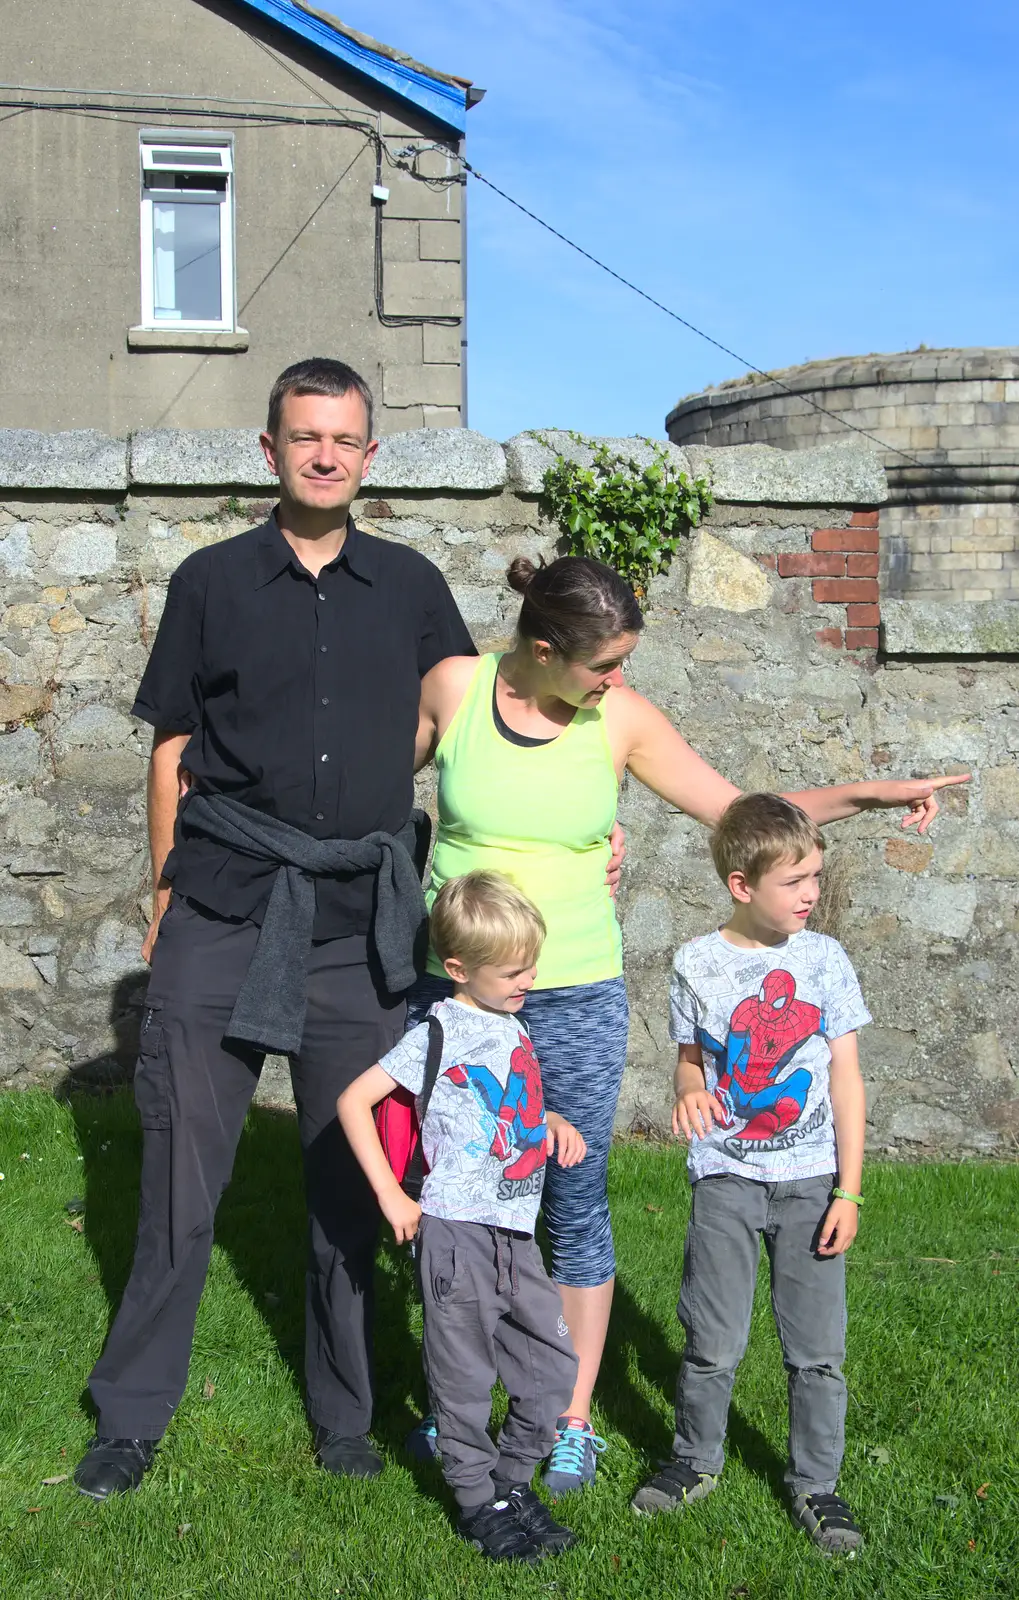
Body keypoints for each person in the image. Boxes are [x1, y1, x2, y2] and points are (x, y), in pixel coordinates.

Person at [411, 553, 967, 1495]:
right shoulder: (454, 688)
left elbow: (738, 814)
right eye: (602, 665)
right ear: (543, 650)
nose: (616, 680)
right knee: (460, 1195)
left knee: (570, 1200)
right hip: (460, 1000)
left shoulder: (617, 720)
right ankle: (458, 1399)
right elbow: (365, 805)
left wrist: (866, 797)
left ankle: (568, 1416)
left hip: (575, 987)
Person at [73, 358, 476, 1500]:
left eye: (342, 439)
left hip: (358, 921)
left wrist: (570, 818)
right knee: (177, 1177)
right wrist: (163, 893)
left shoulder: (409, 584)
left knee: (349, 1175)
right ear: (269, 449)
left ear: (368, 457)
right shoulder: (209, 580)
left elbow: (475, 724)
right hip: (225, 901)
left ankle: (345, 1417)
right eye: (303, 436)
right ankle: (132, 1413)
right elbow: (170, 747)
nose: (322, 454)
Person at [631, 794, 869, 1556]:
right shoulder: (697, 964)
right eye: (795, 880)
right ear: (741, 884)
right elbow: (689, 1063)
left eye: (816, 876)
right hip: (726, 1180)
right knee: (711, 1340)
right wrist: (689, 1093)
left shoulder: (823, 960)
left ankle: (815, 1484)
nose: (811, 894)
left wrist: (848, 1189)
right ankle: (694, 1461)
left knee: (815, 1350)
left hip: (810, 1182)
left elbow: (845, 1081)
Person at [337, 872, 587, 1564]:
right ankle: (477, 1501)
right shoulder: (436, 1033)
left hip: (515, 1234)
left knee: (549, 1367)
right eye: (512, 971)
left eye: (531, 965)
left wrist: (552, 1122)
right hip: (455, 1234)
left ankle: (511, 1481)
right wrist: (391, 1194)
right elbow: (353, 1102)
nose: (527, 980)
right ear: (457, 969)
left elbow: (506, 1109)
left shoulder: (512, 1027)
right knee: (463, 1377)